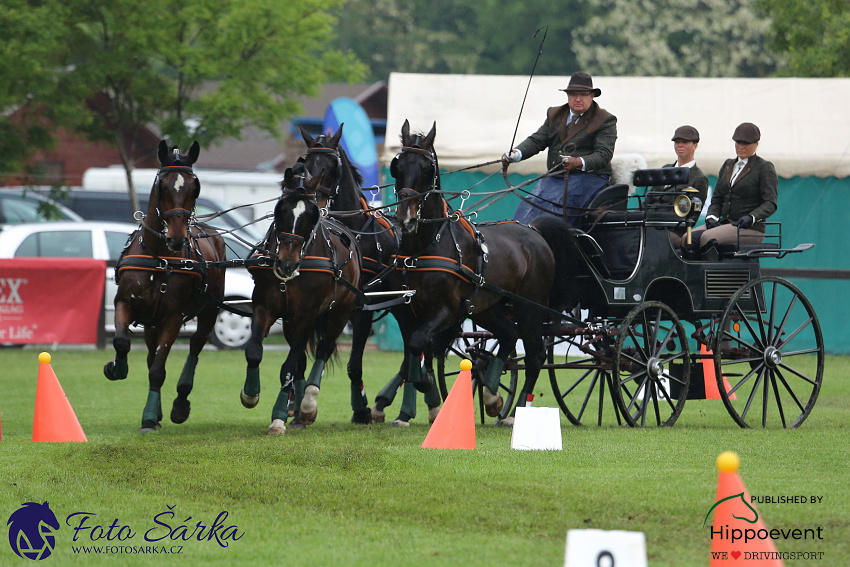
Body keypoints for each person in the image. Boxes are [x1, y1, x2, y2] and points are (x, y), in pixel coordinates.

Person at [504, 72, 617, 227]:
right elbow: (538, 140)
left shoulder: (604, 119)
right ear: (567, 96)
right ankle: (519, 237)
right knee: (531, 203)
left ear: (592, 96)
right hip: (555, 177)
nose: (578, 99)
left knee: (556, 207)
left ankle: (551, 244)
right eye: (573, 94)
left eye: (583, 94)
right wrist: (516, 154)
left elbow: (603, 154)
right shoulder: (555, 114)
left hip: (589, 178)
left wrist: (578, 162)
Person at [686, 122, 777, 253]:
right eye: (737, 143)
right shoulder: (728, 165)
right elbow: (717, 198)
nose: (740, 147)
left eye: (745, 144)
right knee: (687, 238)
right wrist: (711, 217)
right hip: (725, 223)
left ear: (756, 144)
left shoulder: (764, 167)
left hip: (749, 228)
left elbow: (770, 203)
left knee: (707, 237)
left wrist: (751, 217)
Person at [645, 125, 709, 208]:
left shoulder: (699, 178)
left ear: (695, 146)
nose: (680, 145)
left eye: (685, 142)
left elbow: (693, 213)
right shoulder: (665, 169)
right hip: (649, 218)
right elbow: (647, 201)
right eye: (677, 142)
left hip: (673, 220)